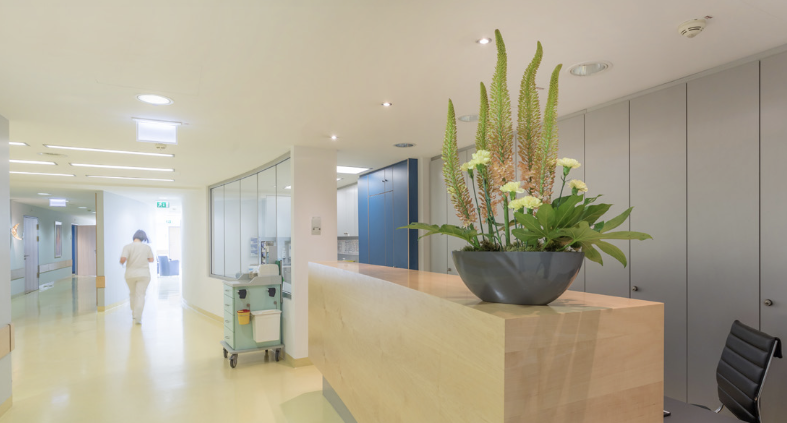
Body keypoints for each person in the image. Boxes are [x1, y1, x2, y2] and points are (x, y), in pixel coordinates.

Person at [120, 230, 155, 324]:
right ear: (143, 238)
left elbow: (123, 259)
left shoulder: (127, 247)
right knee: (140, 295)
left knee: (132, 294)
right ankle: (138, 317)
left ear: (134, 237)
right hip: (144, 275)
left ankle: (134, 313)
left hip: (130, 275)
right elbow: (151, 260)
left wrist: (123, 261)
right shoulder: (147, 247)